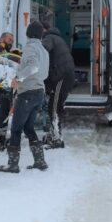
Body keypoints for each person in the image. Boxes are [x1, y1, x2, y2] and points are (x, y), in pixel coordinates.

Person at [0, 21, 50, 173]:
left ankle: (12, 165)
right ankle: (40, 161)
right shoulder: (44, 50)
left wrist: (18, 78)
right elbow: (42, 71)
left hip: (28, 92)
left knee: (16, 129)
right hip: (39, 91)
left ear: (28, 33)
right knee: (29, 128)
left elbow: (33, 67)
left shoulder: (30, 47)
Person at [40, 21, 75, 149]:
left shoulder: (49, 38)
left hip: (62, 77)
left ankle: (56, 138)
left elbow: (43, 51)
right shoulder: (56, 37)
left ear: (44, 29)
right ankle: (54, 134)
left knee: (54, 107)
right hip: (63, 75)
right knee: (54, 105)